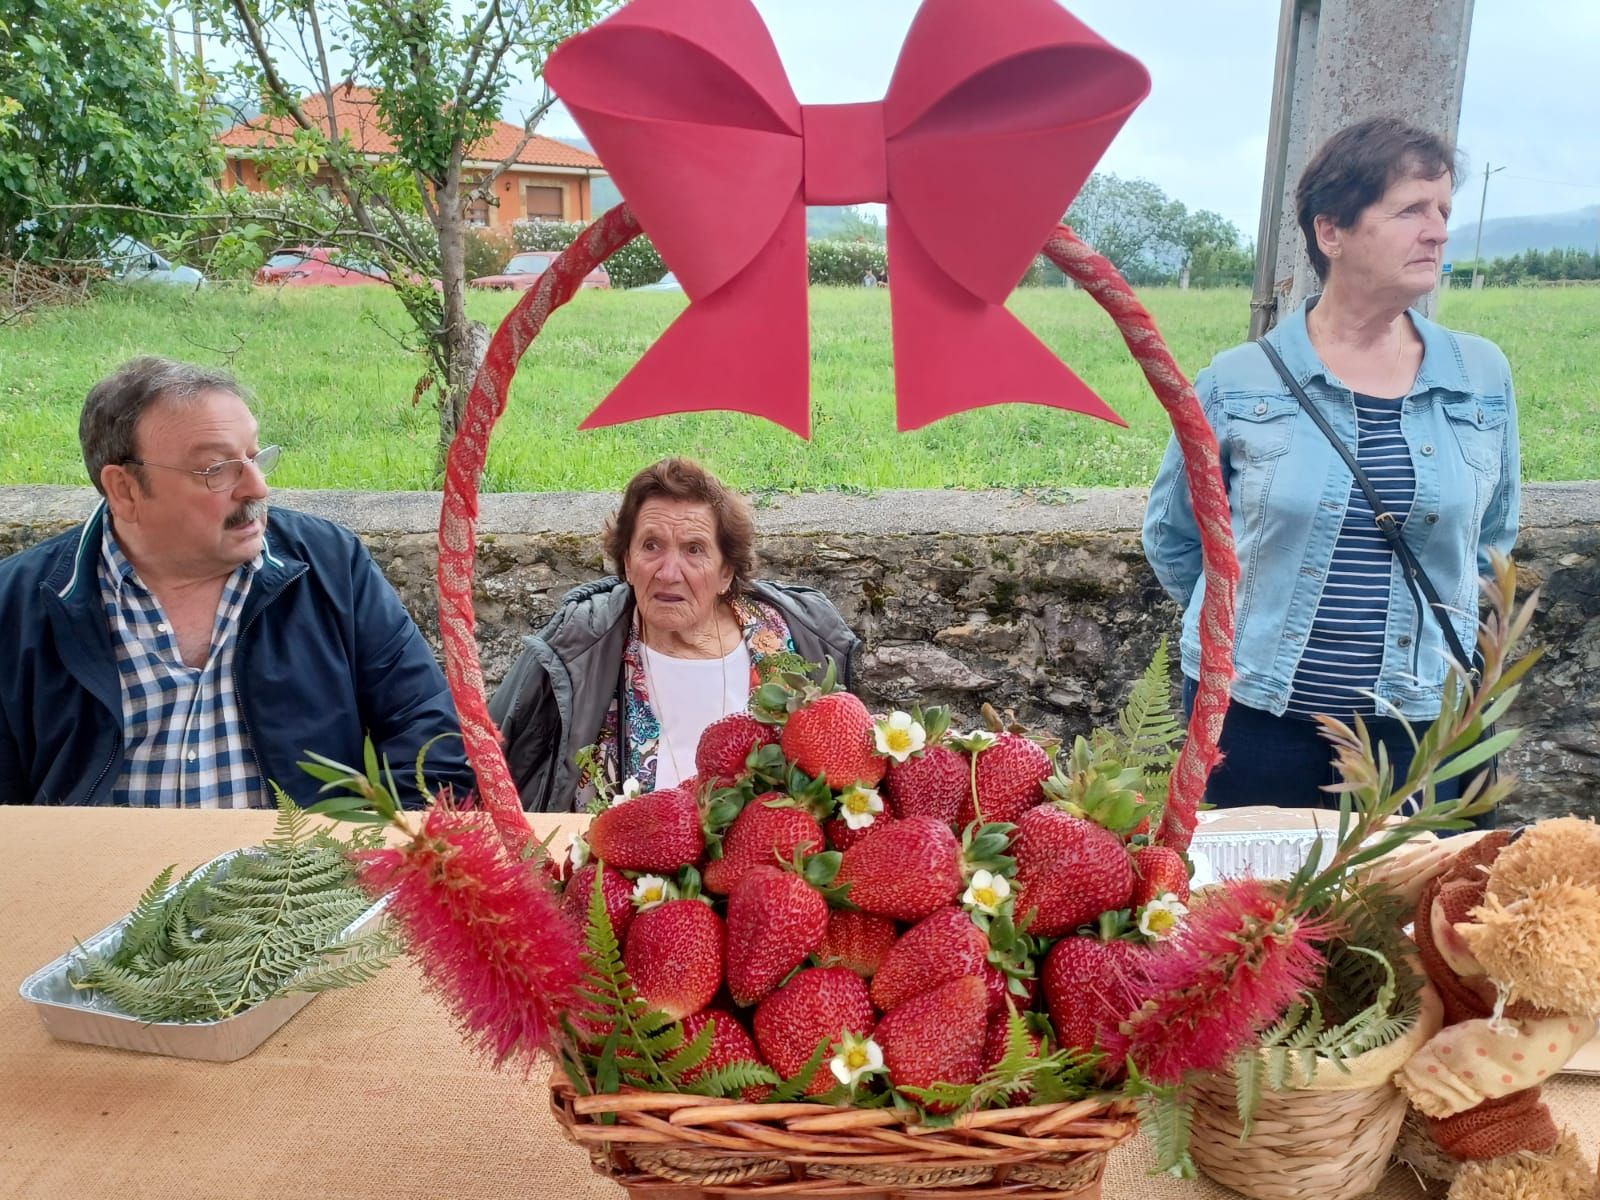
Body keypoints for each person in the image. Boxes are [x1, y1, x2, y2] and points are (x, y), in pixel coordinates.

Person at [1142, 115, 1520, 810]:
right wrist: (1248, 631)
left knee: (1406, 912)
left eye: (1442, 210)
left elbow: (1491, 540)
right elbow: (1174, 539)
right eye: (1411, 210)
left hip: (1420, 726)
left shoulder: (1481, 376)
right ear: (1332, 232)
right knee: (1254, 911)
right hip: (1255, 718)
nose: (1436, 230)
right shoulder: (1238, 382)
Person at [0, 356, 476, 807]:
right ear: (124, 489)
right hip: (97, 883)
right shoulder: (18, 605)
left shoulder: (330, 565)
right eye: (217, 469)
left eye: (254, 456)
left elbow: (433, 736)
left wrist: (362, 861)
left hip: (305, 883)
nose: (257, 488)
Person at [490, 458, 860, 811]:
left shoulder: (797, 638)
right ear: (628, 563)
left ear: (726, 572)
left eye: (694, 549)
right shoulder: (575, 644)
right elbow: (485, 762)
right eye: (651, 546)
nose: (669, 572)